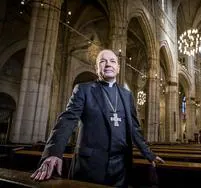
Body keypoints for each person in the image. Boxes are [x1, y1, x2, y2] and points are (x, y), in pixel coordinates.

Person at [30, 49, 165, 187]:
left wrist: (149, 155)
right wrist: (54, 152)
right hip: (90, 166)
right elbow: (67, 119)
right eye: (103, 61)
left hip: (121, 167)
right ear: (97, 68)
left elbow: (134, 129)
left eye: (112, 61)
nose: (108, 64)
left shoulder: (127, 95)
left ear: (118, 68)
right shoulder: (84, 89)